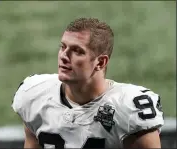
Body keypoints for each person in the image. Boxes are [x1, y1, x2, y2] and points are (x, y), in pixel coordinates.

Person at [12, 18, 164, 149]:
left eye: (77, 51)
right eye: (63, 47)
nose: (64, 56)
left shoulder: (130, 109)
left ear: (100, 62)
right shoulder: (35, 94)